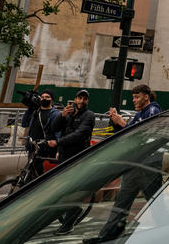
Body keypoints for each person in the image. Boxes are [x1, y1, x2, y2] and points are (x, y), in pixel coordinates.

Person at [85, 85, 163, 243]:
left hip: (148, 167)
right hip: (134, 165)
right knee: (121, 203)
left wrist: (121, 122)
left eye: (137, 97)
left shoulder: (153, 111)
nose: (134, 100)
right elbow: (127, 133)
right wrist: (116, 122)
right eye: (133, 97)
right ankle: (105, 237)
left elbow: (143, 137)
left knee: (157, 205)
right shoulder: (141, 113)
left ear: (146, 96)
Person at [50, 89, 96, 234]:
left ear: (87, 101)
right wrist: (61, 116)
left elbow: (79, 135)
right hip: (64, 156)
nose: (81, 101)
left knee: (70, 190)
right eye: (79, 98)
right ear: (75, 99)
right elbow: (54, 127)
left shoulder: (89, 116)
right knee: (63, 189)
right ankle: (70, 213)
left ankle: (69, 222)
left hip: (78, 158)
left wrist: (58, 142)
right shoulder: (69, 114)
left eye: (85, 99)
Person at [19, 89, 60, 180]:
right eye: (43, 97)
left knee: (42, 175)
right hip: (33, 146)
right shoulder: (36, 111)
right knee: (30, 173)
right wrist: (30, 108)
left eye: (47, 97)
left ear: (52, 99)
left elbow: (58, 131)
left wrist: (57, 145)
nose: (44, 99)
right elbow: (24, 123)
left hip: (45, 148)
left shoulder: (55, 114)